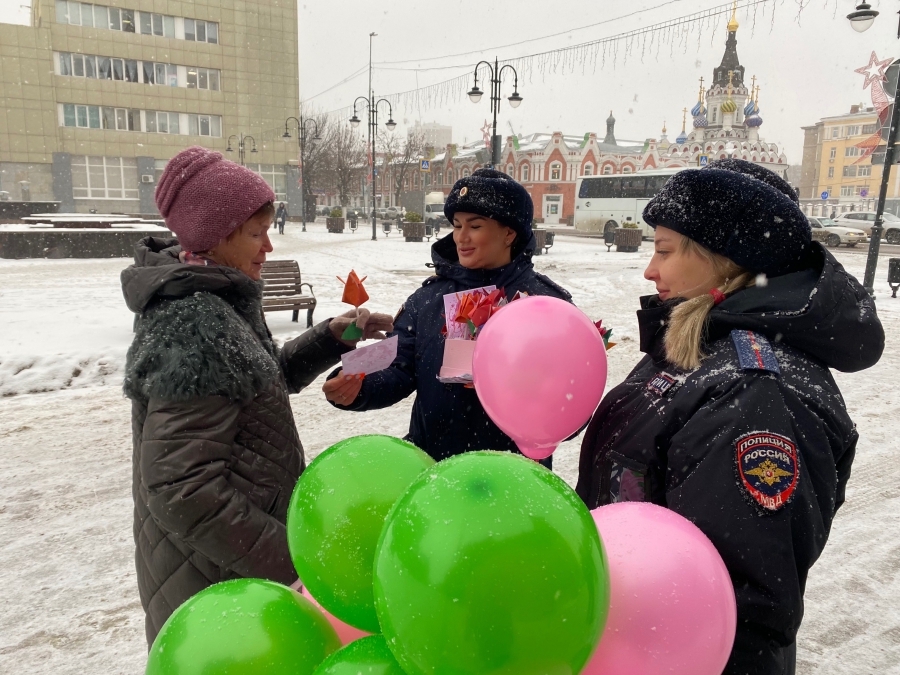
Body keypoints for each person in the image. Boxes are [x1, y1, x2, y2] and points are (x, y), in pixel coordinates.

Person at [575, 159, 884, 675]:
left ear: (725, 260)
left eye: (664, 250)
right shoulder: (699, 343)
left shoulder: (753, 391)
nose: (650, 270)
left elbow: (742, 614)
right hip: (628, 637)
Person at [121, 146, 392, 647]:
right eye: (255, 233)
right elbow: (181, 489)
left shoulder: (212, 296)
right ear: (214, 235)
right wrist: (295, 561)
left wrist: (332, 337)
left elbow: (259, 380)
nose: (268, 246)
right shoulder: (195, 321)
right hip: (216, 577)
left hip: (224, 564)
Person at [323, 168, 572, 462]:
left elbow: (573, 397)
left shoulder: (547, 304)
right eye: (456, 225)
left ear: (509, 233)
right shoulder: (428, 299)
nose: (461, 237)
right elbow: (395, 361)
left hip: (514, 474)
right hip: (435, 469)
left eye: (475, 226)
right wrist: (355, 381)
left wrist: (548, 410)